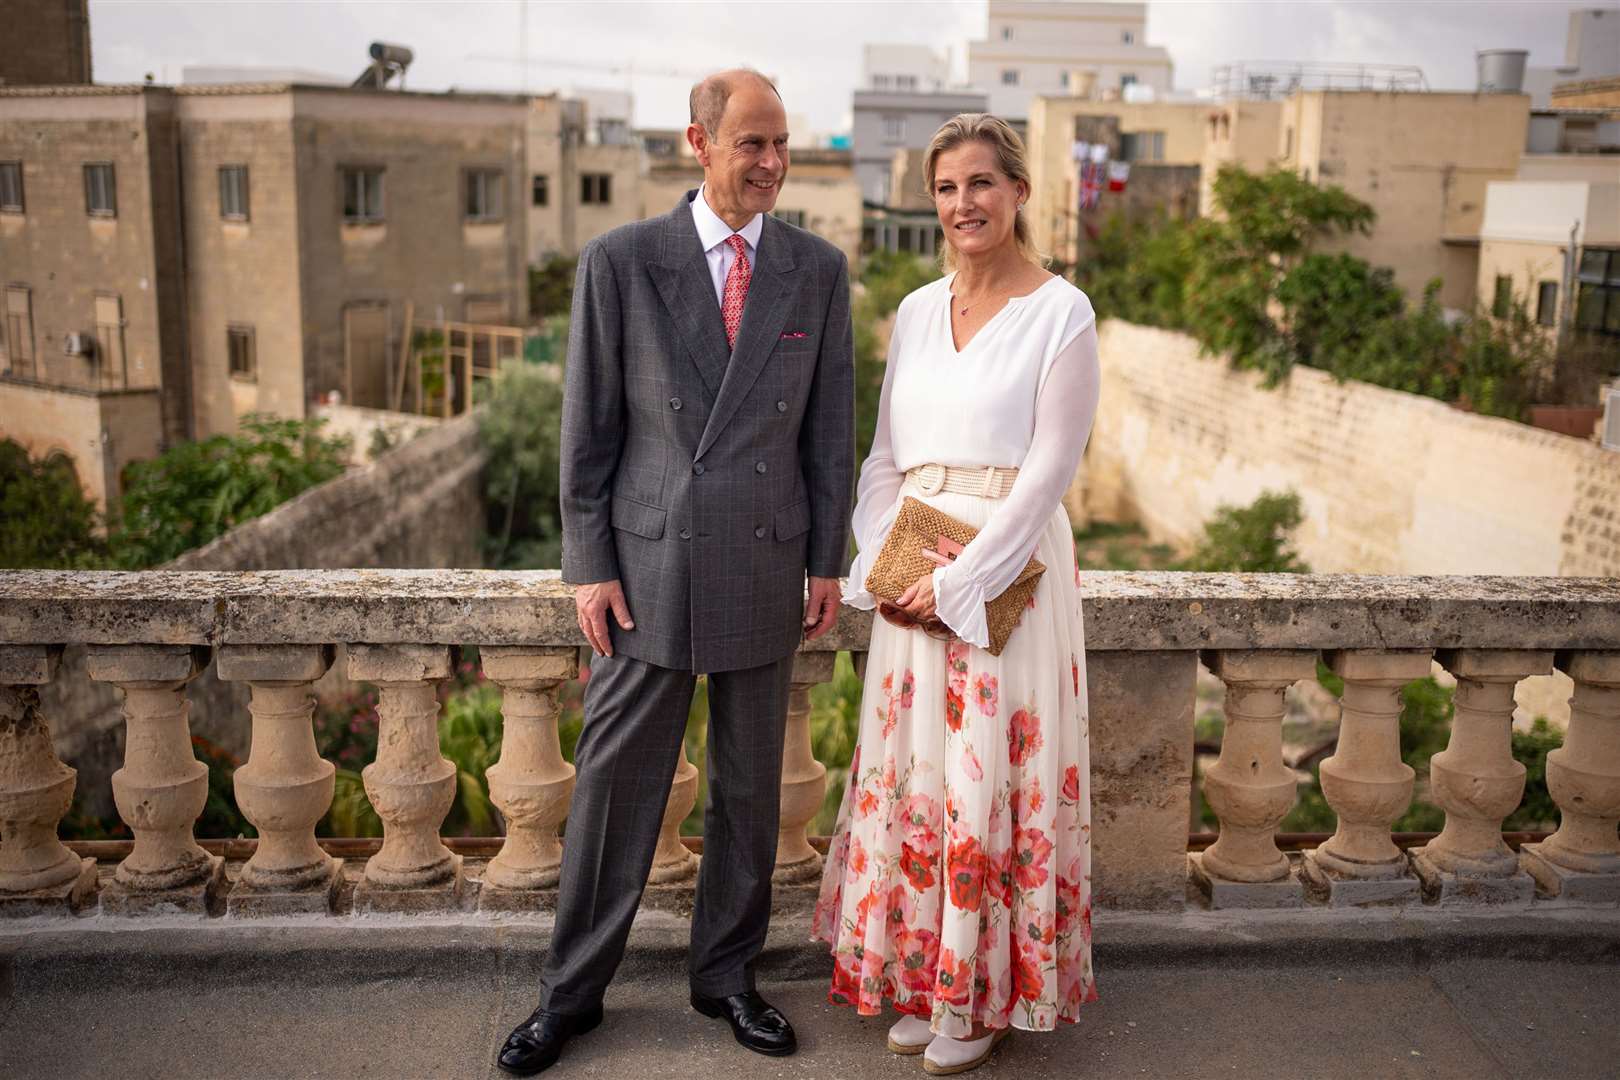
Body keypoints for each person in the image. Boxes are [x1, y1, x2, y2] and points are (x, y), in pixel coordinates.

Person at [496, 69, 855, 1076]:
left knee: (747, 792)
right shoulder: (620, 261)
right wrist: (587, 564)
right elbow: (589, 429)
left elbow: (831, 431)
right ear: (698, 141)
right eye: (753, 144)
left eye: (782, 143)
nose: (774, 164)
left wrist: (828, 557)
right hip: (648, 569)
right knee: (614, 789)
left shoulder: (816, 271)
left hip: (766, 560)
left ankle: (726, 978)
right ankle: (569, 997)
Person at [813, 113, 1101, 1076]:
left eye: (982, 182)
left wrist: (961, 582)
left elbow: (1050, 470)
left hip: (1006, 581)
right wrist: (884, 570)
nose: (963, 203)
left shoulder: (1064, 312)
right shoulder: (913, 310)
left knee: (988, 780)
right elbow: (887, 460)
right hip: (914, 583)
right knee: (921, 780)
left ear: (1018, 191)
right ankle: (925, 974)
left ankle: (978, 996)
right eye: (946, 187)